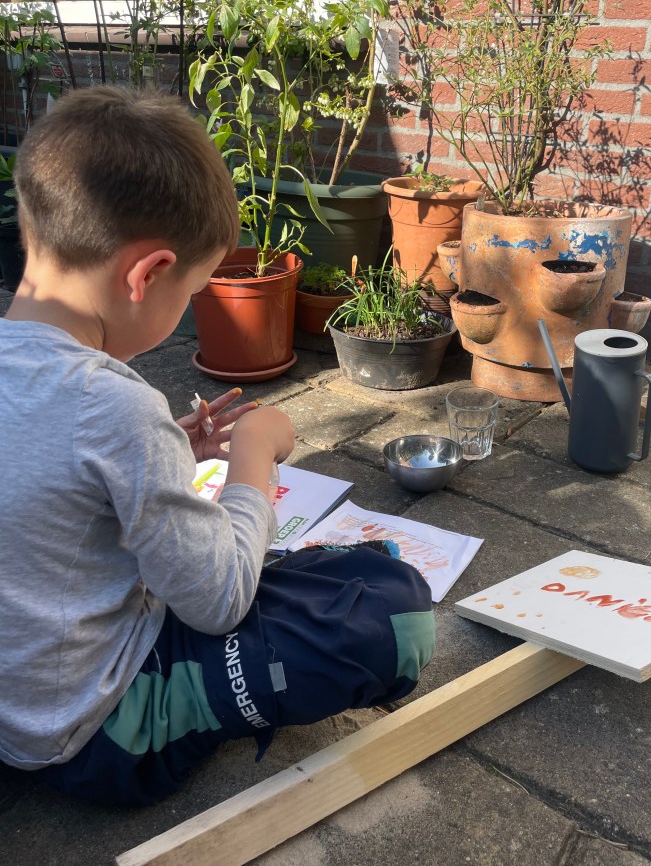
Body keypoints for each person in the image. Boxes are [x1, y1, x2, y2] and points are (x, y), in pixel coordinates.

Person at [0, 86, 435, 806]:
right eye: (192, 292)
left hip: (16, 701)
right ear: (147, 275)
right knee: (396, 611)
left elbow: (41, 483)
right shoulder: (113, 407)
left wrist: (167, 447)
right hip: (94, 734)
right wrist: (253, 454)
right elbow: (220, 600)